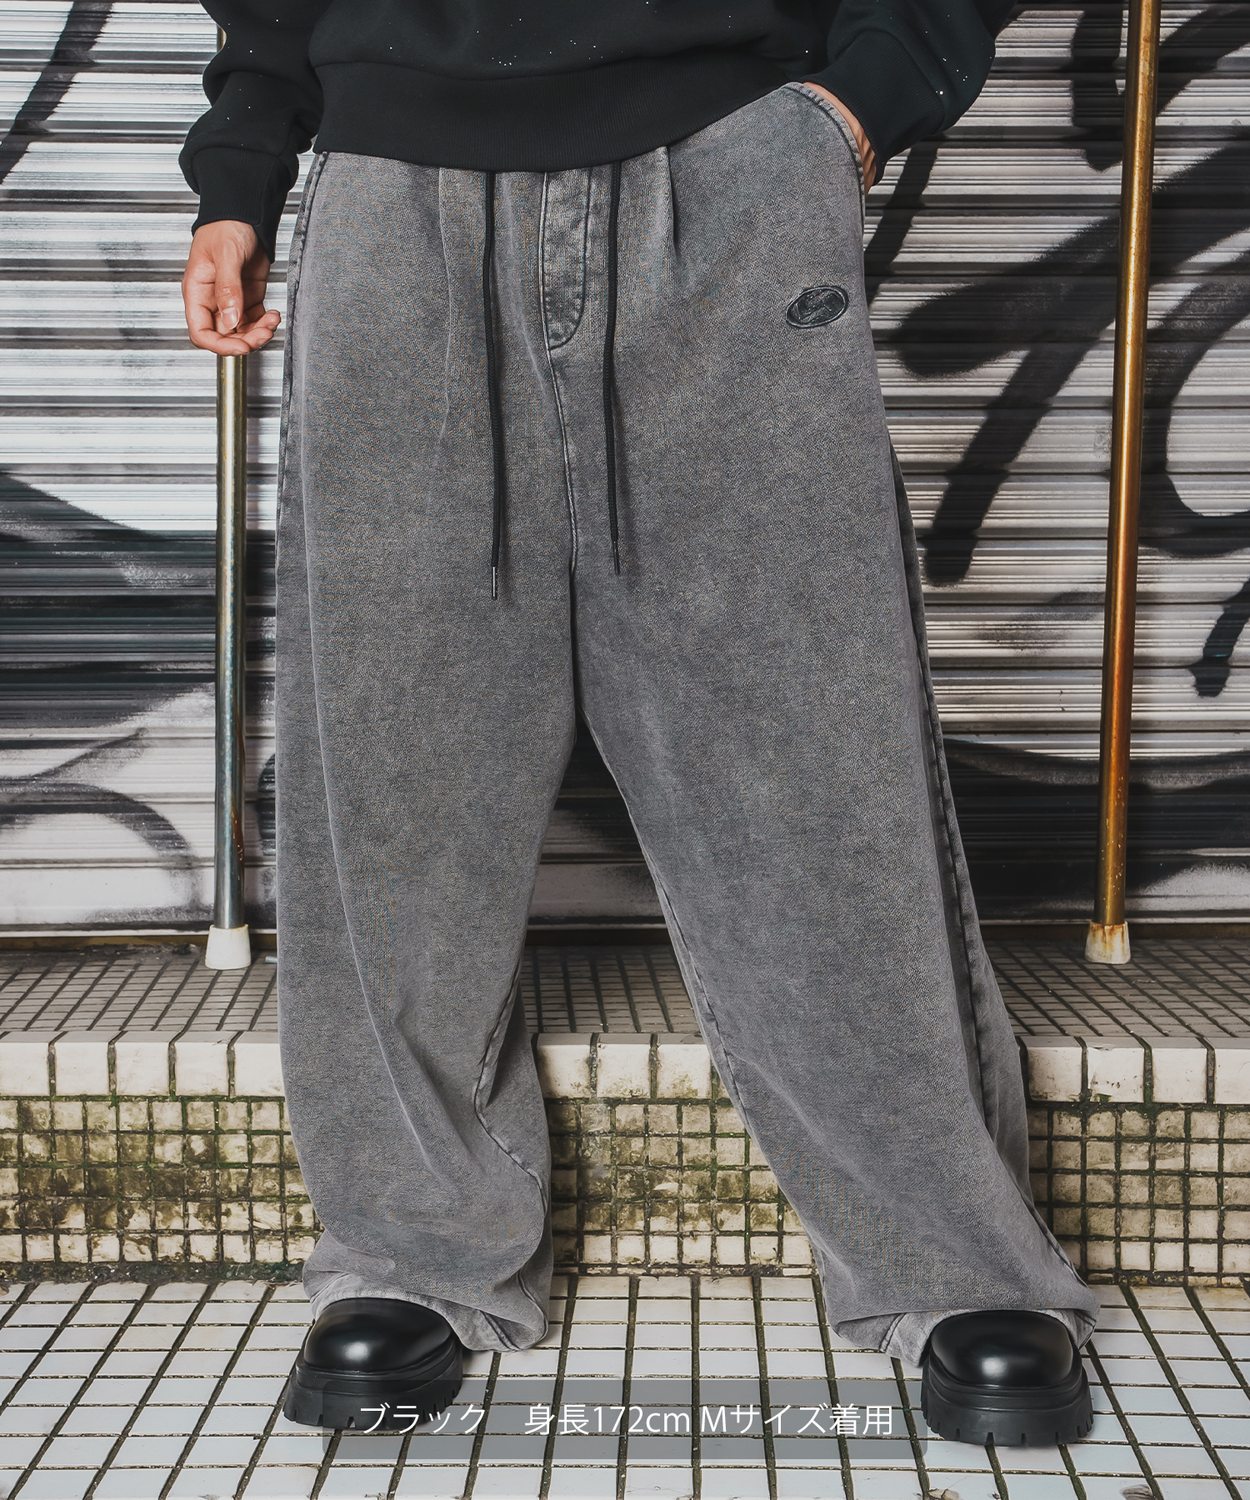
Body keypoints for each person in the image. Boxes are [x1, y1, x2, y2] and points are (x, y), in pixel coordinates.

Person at [179, 0, 1102, 1446]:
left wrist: (864, 97)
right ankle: (411, 1253)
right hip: (393, 191)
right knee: (396, 781)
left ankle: (951, 1260)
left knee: (810, 765)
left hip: (730, 171)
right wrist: (242, 168)